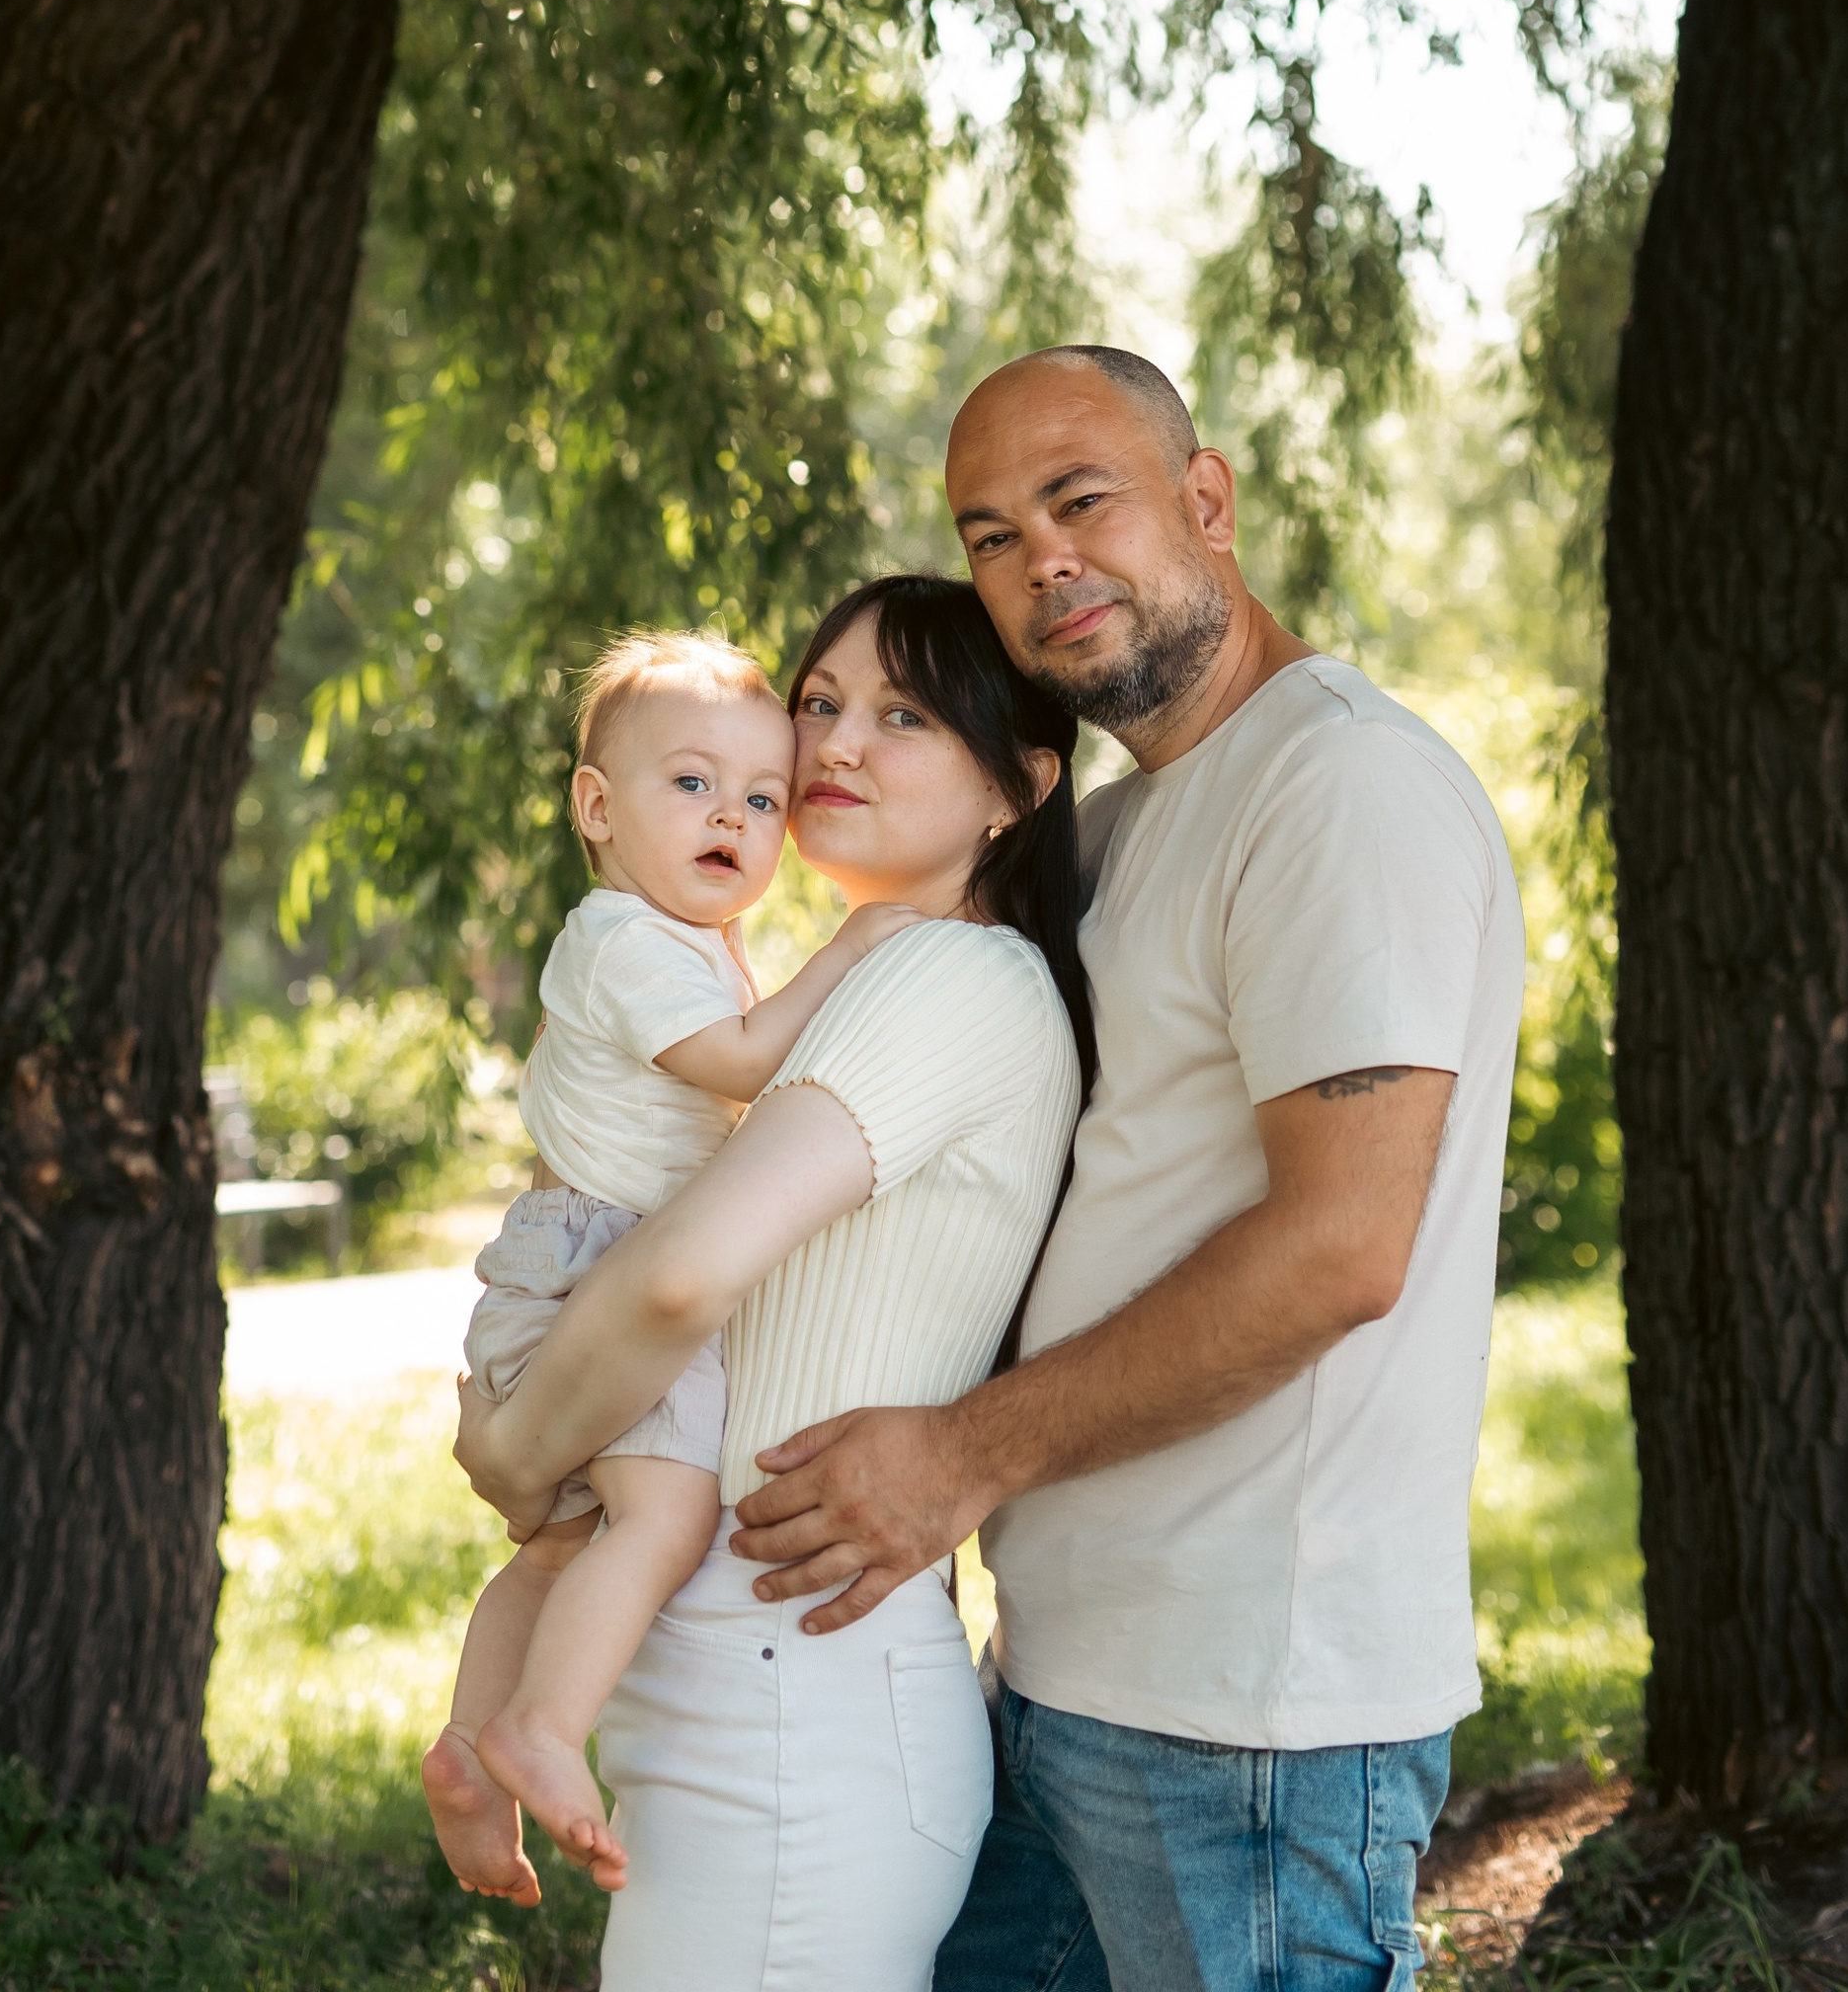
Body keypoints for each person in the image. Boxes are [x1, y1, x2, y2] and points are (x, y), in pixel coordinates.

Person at [729, 345, 1529, 1992]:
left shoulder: (1342, 788)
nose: (1041, 563)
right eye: (993, 533)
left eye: (1079, 499)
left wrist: (958, 1456)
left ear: (1208, 500)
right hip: (1062, 1678)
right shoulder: (1116, 828)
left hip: (1248, 1724)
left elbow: (1339, 1249)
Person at [455, 575, 1094, 1991]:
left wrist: (516, 1451)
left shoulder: (946, 978)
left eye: (904, 715)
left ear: (1018, 789)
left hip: (795, 1691)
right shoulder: (859, 974)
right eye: (820, 704)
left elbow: (678, 1281)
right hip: (758, 1675)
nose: (836, 747)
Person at [424, 628, 924, 1901]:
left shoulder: (676, 939)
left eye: (763, 797)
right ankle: (543, 1727)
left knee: (560, 1547)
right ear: (596, 805)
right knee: (670, 1514)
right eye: (693, 783)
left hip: (576, 1258)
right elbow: (742, 1066)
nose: (734, 817)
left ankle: (472, 1760)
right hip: (599, 1262)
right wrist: (859, 945)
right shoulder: (624, 939)